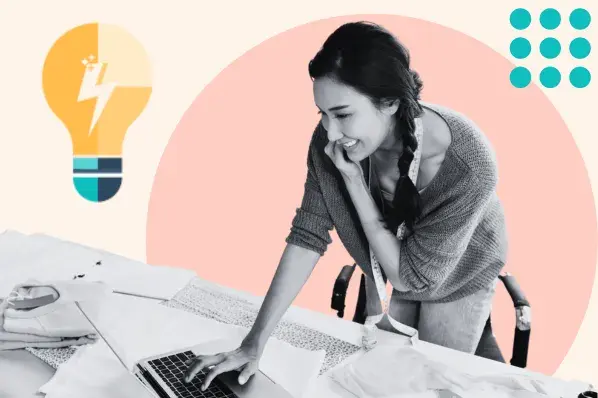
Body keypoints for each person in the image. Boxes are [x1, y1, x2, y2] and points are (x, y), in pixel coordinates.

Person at [184, 21, 508, 391]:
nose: (330, 132)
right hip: (384, 264)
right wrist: (253, 344)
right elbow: (307, 236)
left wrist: (354, 182)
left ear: (390, 103)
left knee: (431, 387)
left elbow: (411, 279)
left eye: (342, 114)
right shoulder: (335, 141)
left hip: (456, 278)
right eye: (322, 114)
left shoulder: (469, 164)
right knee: (376, 379)